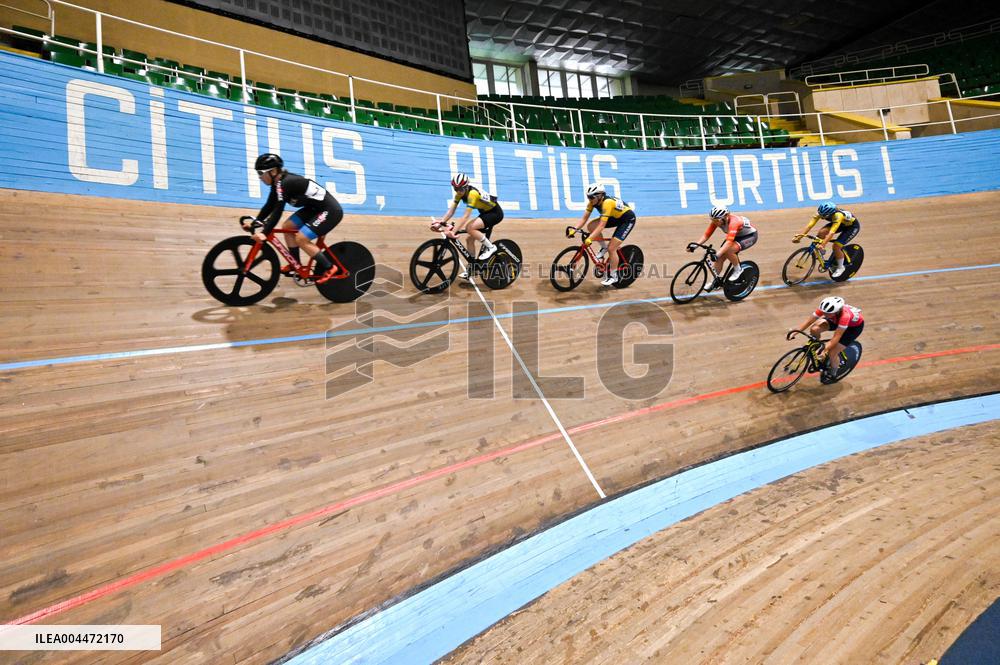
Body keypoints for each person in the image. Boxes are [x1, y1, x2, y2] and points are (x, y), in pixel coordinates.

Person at [244, 153, 343, 284]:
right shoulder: (277, 184)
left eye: (261, 173)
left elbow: (278, 210)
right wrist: (255, 224)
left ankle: (330, 267)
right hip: (314, 209)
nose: (259, 177)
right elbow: (269, 206)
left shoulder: (285, 183)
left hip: (329, 210)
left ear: (273, 171)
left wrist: (264, 233)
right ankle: (295, 264)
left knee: (301, 238)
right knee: (287, 227)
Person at [567, 183, 636, 286]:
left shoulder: (607, 203)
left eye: (591, 197)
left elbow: (601, 226)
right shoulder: (592, 203)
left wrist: (590, 238)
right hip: (615, 217)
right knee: (591, 226)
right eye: (588, 197)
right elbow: (584, 219)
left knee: (612, 249)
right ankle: (603, 248)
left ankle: (614, 276)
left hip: (627, 220)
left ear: (600, 196)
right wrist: (575, 229)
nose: (589, 199)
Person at [436, 173, 503, 278]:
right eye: (456, 189)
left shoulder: (472, 194)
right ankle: (473, 267)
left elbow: (466, 216)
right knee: (469, 239)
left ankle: (491, 247)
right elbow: (451, 211)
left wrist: (452, 232)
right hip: (485, 213)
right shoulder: (459, 194)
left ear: (466, 187)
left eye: (461, 189)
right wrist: (440, 222)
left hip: (495, 213)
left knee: (469, 227)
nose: (458, 192)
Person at [788, 296, 864, 378]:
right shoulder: (826, 310)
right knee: (814, 329)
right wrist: (795, 332)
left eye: (827, 313)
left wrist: (825, 350)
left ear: (837, 311)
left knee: (832, 353)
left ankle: (833, 372)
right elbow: (809, 321)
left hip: (853, 328)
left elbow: (836, 337)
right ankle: (817, 344)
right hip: (835, 320)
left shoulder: (845, 316)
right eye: (824, 312)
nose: (824, 314)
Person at [689, 206, 758, 290]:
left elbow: (729, 242)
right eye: (713, 220)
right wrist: (696, 245)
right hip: (734, 236)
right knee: (719, 258)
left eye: (716, 220)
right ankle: (714, 282)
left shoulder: (734, 222)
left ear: (725, 216)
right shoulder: (717, 221)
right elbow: (706, 235)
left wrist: (717, 254)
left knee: (728, 250)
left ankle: (738, 270)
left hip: (749, 236)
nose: (715, 223)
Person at [794, 201, 860, 279]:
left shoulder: (838, 216)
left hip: (851, 227)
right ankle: (821, 251)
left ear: (830, 214)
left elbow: (831, 233)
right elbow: (809, 226)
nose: (821, 217)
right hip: (840, 224)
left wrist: (823, 244)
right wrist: (799, 236)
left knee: (836, 246)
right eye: (821, 215)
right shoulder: (821, 212)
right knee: (821, 233)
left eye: (824, 216)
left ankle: (840, 267)